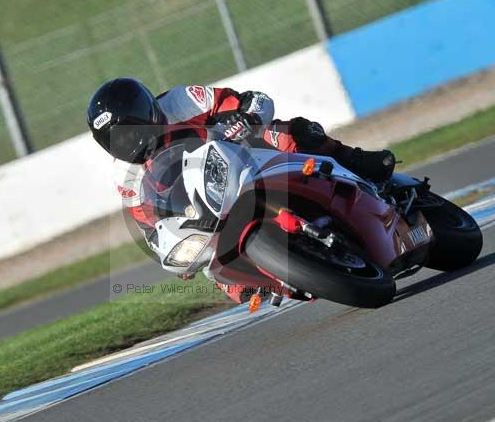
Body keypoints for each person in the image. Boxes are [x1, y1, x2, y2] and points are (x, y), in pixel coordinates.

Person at [86, 77, 396, 303]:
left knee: (291, 132)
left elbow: (253, 101)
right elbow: (150, 226)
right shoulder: (125, 178)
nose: (130, 142)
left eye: (131, 130)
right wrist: (169, 248)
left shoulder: (182, 101)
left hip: (245, 154)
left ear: (148, 112)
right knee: (219, 274)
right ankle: (275, 278)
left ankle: (356, 161)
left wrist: (245, 117)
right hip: (208, 202)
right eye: (117, 140)